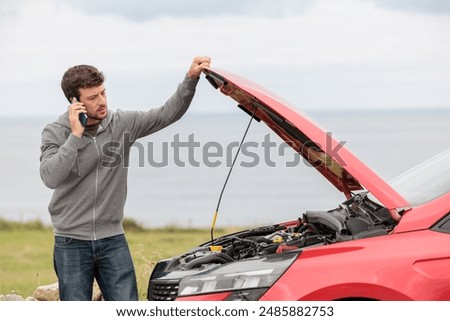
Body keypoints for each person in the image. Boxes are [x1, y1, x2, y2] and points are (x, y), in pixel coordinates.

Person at [39, 56, 211, 301]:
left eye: (103, 93)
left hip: (112, 239)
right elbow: (50, 177)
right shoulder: (55, 132)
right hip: (71, 241)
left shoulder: (121, 123)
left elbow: (166, 114)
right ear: (74, 102)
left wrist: (191, 79)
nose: (101, 102)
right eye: (92, 97)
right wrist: (75, 136)